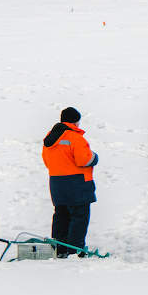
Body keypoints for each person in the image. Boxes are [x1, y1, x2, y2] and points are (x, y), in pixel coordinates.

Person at [41, 107, 98, 258]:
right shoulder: (75, 137)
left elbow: (47, 161)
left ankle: (60, 248)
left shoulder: (50, 137)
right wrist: (95, 157)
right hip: (76, 183)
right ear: (76, 121)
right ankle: (74, 249)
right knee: (79, 216)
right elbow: (84, 159)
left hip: (56, 183)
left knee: (61, 214)